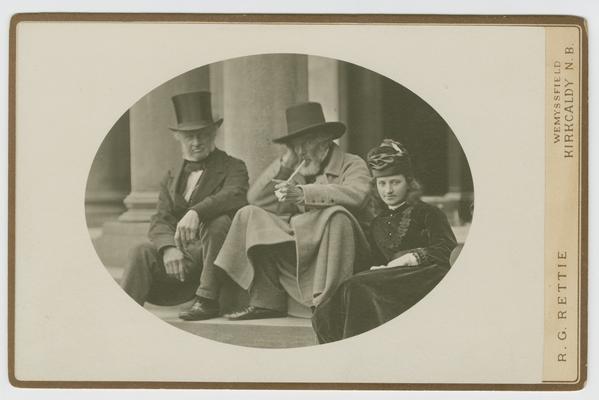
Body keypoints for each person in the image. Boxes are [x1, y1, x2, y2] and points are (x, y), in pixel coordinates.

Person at [214, 102, 373, 320]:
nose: (299, 152)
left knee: (336, 216)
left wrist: (304, 194)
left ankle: (331, 302)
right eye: (293, 146)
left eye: (304, 144)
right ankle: (266, 302)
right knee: (249, 213)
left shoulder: (352, 163)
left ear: (324, 141)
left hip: (341, 249)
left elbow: (358, 194)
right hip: (302, 244)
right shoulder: (297, 166)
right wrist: (285, 163)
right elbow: (257, 199)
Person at [312, 139, 458, 343]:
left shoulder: (428, 213)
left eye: (395, 182)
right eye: (382, 183)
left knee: (357, 287)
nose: (388, 190)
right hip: (389, 280)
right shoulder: (377, 223)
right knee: (332, 304)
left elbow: (447, 250)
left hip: (425, 278)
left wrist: (410, 258)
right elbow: (374, 260)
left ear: (408, 182)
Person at [120, 91, 249, 321]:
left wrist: (196, 212)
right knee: (140, 252)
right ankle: (123, 317)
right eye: (189, 136)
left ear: (214, 133)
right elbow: (160, 219)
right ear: (178, 137)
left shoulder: (234, 166)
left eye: (202, 134)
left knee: (219, 222)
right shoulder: (172, 176)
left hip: (216, 264)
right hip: (179, 266)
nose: (196, 142)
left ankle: (207, 300)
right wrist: (168, 248)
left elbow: (235, 195)